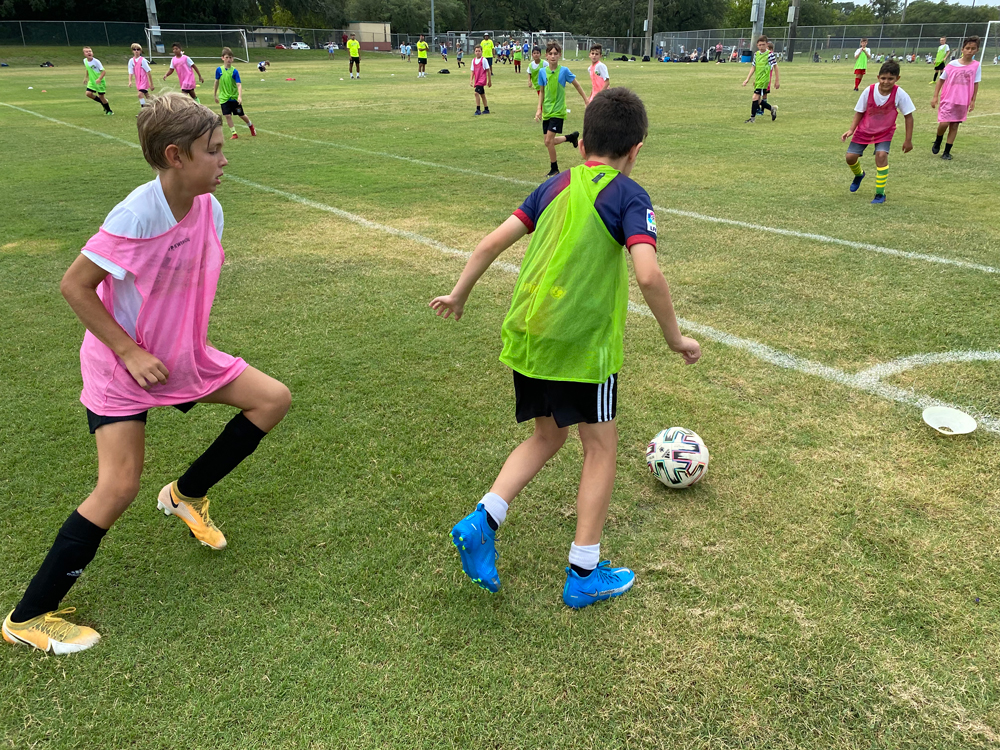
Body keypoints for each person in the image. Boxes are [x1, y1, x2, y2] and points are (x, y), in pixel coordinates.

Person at [1, 93, 291, 654]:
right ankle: (28, 615)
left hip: (179, 357)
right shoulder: (137, 211)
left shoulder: (209, 206)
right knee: (118, 486)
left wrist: (178, 347)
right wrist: (130, 351)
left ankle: (186, 494)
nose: (225, 158)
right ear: (176, 156)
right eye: (214, 150)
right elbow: (74, 285)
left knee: (272, 400)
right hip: (122, 364)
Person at [429, 87, 701, 609]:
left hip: (531, 335)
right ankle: (584, 572)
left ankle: (483, 520)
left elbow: (490, 242)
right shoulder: (628, 194)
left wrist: (459, 294)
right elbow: (648, 274)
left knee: (547, 437)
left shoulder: (553, 185)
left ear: (582, 146)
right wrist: (675, 338)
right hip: (581, 347)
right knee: (599, 449)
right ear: (636, 150)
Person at [841, 60, 914, 204]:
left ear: (897, 79)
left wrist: (908, 140)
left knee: (881, 156)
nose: (886, 82)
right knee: (850, 157)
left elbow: (909, 117)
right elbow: (859, 111)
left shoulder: (899, 93)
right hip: (864, 130)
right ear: (878, 77)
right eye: (883, 78)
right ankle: (859, 175)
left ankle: (880, 194)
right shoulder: (869, 90)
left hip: (884, 132)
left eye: (890, 79)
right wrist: (851, 129)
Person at [536, 41, 588, 177]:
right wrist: (539, 109)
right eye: (550, 54)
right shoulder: (542, 72)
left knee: (548, 141)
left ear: (559, 55)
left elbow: (576, 85)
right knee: (549, 142)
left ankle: (555, 168)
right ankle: (571, 137)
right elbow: (541, 91)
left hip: (558, 112)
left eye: (555, 53)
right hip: (547, 111)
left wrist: (586, 99)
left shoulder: (564, 71)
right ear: (546, 56)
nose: (553, 56)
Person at [932, 36, 981, 160]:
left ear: (977, 50)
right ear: (962, 49)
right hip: (948, 98)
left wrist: (973, 100)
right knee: (944, 123)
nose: (970, 51)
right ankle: (938, 139)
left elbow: (976, 83)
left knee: (954, 126)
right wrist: (935, 96)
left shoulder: (976, 66)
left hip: (962, 101)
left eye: (973, 49)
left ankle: (947, 152)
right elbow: (941, 80)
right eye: (967, 48)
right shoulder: (952, 64)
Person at [214, 47, 256, 140]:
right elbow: (216, 82)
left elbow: (239, 85)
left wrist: (240, 97)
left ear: (232, 59)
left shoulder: (234, 71)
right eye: (227, 57)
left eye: (230, 57)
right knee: (227, 115)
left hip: (234, 98)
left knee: (241, 115)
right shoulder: (219, 70)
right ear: (222, 58)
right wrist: (215, 94)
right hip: (224, 98)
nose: (229, 59)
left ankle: (251, 126)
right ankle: (234, 133)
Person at [741, 35, 778, 123]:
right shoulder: (756, 54)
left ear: (766, 45)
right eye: (760, 45)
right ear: (757, 45)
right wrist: (747, 79)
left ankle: (752, 118)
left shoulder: (769, 54)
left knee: (755, 97)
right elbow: (753, 67)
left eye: (763, 45)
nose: (761, 47)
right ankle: (772, 108)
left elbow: (776, 67)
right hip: (758, 80)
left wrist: (777, 80)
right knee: (758, 100)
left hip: (764, 80)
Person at [82, 47, 113, 115]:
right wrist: (86, 78)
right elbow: (87, 69)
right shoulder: (85, 61)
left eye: (90, 51)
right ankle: (103, 102)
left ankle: (109, 111)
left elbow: (104, 71)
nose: (89, 52)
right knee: (88, 94)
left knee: (102, 97)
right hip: (92, 81)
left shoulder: (96, 61)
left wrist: (99, 79)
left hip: (100, 82)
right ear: (84, 54)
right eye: (87, 52)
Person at [127, 43, 153, 110]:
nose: (136, 51)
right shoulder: (131, 61)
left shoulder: (143, 60)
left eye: (138, 49)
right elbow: (130, 71)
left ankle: (144, 110)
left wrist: (151, 84)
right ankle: (153, 106)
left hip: (144, 80)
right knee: (147, 95)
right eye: (134, 49)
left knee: (140, 94)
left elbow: (148, 71)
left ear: (140, 51)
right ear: (132, 51)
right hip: (138, 81)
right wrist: (130, 81)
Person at [758, 41, 780, 121]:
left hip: (765, 80)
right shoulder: (761, 56)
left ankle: (764, 110)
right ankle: (764, 109)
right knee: (758, 96)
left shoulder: (770, 57)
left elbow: (774, 68)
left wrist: (776, 81)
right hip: (760, 79)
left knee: (760, 96)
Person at [471, 44, 492, 115]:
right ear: (474, 52)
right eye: (476, 51)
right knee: (482, 94)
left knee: (476, 93)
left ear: (482, 52)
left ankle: (478, 110)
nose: (478, 52)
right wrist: (471, 80)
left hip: (482, 80)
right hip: (477, 80)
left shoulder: (484, 60)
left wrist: (489, 81)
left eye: (479, 51)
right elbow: (472, 71)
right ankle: (486, 109)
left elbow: (488, 70)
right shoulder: (473, 61)